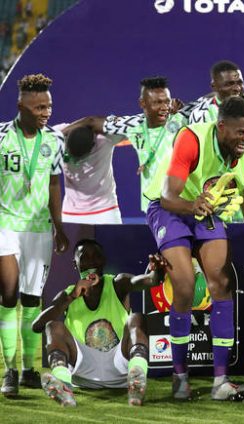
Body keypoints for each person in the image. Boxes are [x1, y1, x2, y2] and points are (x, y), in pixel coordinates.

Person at [143, 96, 244, 400]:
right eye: (240, 132)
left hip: (205, 211)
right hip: (171, 209)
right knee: (185, 286)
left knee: (222, 283)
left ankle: (220, 382)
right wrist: (193, 204)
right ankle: (179, 378)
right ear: (221, 127)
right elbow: (167, 196)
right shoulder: (192, 138)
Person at [31, 239, 166, 407]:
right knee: (53, 326)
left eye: (96, 256)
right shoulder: (68, 295)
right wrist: (72, 297)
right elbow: (37, 326)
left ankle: (137, 379)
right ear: (76, 264)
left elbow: (149, 281)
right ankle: (63, 383)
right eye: (85, 257)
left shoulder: (118, 283)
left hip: (121, 369)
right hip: (83, 371)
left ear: (103, 261)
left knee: (136, 318)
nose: (91, 261)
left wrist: (157, 272)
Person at [0, 74, 68, 396]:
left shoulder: (54, 141)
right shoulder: (1, 136)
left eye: (49, 106)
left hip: (39, 228)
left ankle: (28, 368)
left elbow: (55, 184)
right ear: (21, 107)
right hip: (5, 225)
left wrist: (59, 226)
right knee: (8, 293)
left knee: (30, 300)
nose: (46, 112)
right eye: (39, 107)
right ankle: (9, 370)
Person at [64, 76, 193, 213]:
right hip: (154, 207)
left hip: (182, 202)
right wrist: (55, 136)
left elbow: (210, 103)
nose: (164, 108)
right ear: (142, 103)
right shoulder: (133, 125)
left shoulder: (181, 118)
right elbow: (91, 121)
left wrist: (185, 110)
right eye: (157, 103)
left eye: (167, 102)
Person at [188, 60, 244, 219]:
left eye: (239, 82)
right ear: (214, 86)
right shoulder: (200, 113)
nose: (237, 88)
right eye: (229, 84)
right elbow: (197, 159)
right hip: (212, 198)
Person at [55, 125, 122, 224]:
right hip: (70, 214)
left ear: (93, 145)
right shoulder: (58, 135)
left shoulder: (106, 138)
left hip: (105, 212)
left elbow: (141, 126)